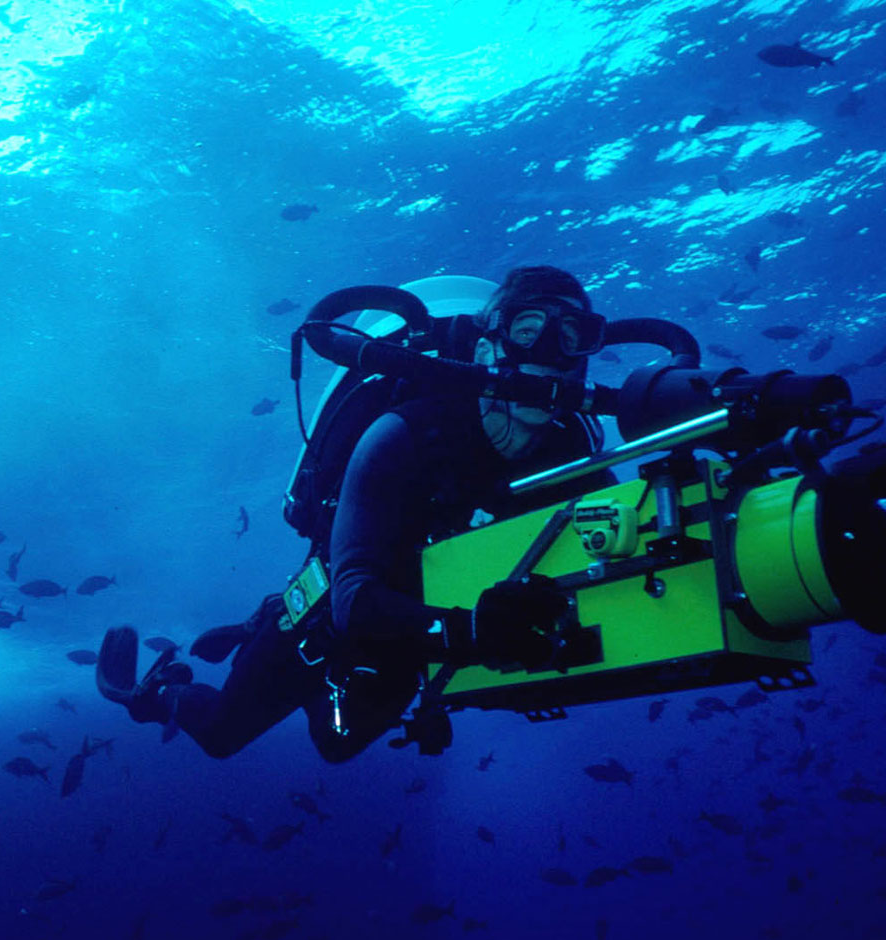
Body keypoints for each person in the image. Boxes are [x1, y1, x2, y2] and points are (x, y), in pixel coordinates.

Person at [97, 266, 606, 762]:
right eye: (527, 330)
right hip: (334, 613)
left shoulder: (576, 457)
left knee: (335, 745)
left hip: (420, 632)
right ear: (484, 348)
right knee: (220, 735)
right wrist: (469, 633)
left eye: (570, 335)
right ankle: (158, 692)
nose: (548, 355)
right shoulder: (404, 435)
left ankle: (264, 637)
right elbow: (355, 602)